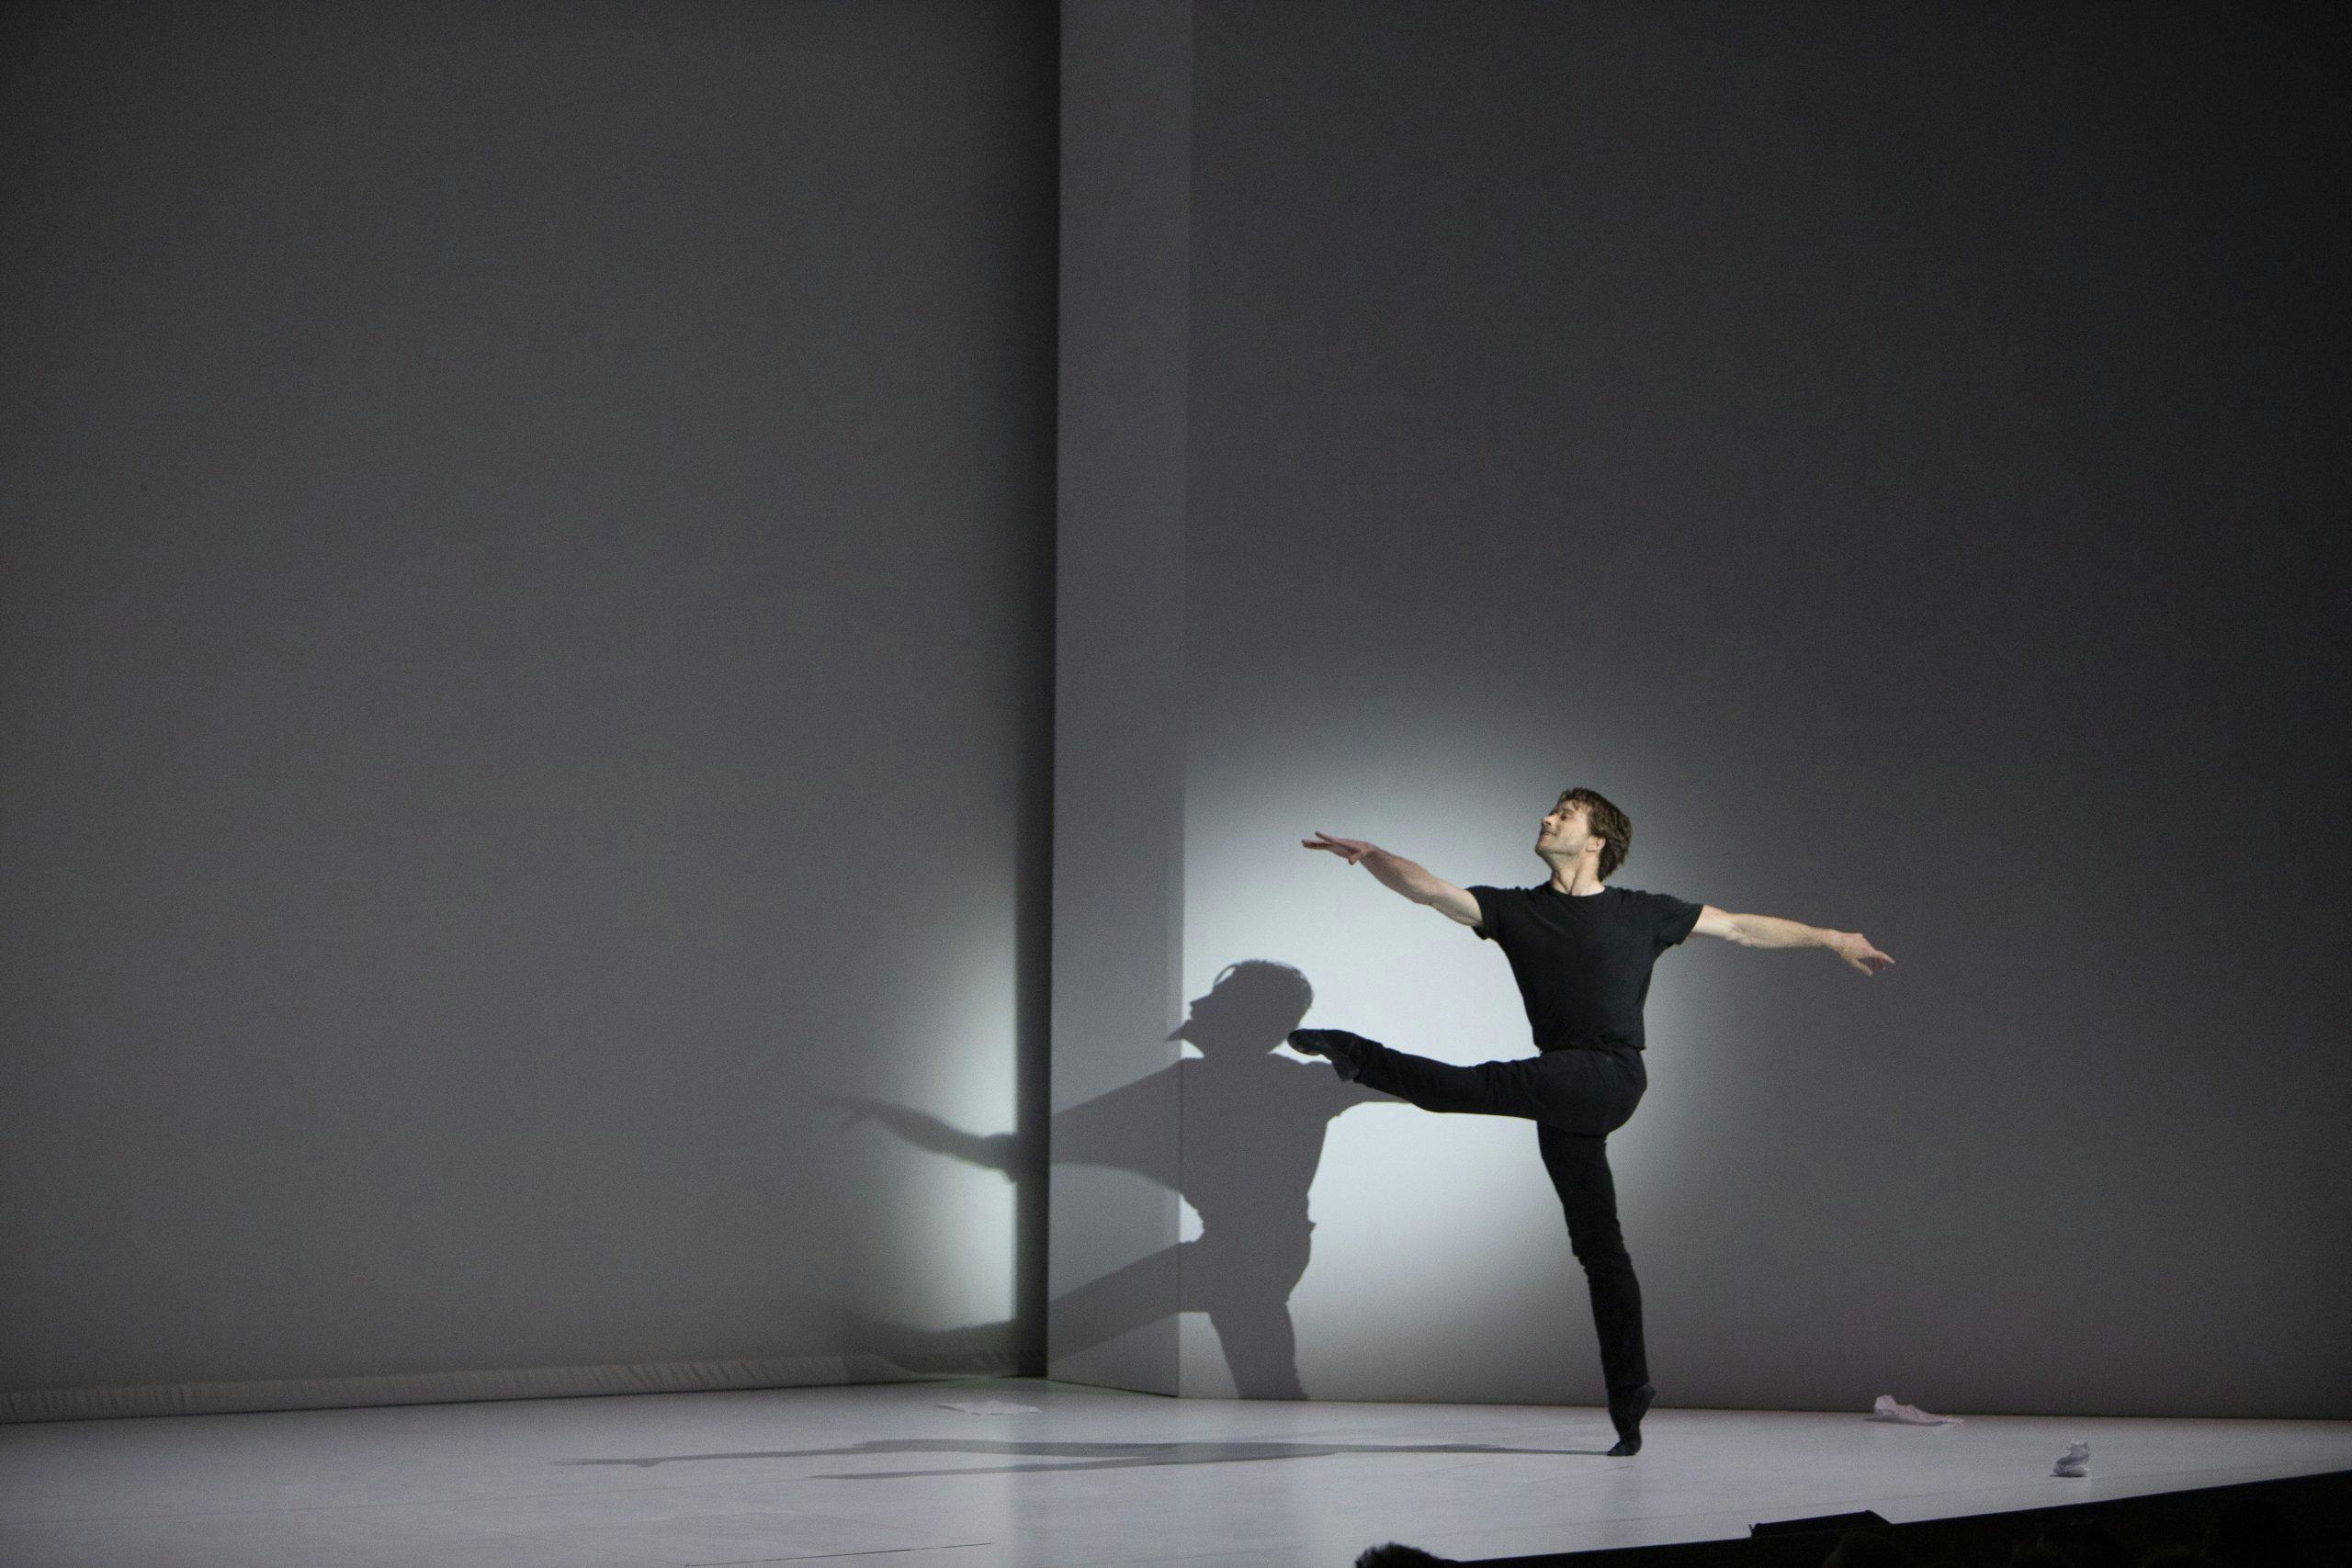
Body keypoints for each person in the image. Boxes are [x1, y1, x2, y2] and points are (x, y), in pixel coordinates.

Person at [1291, 786, 1894, 1456]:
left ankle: (1356, 1053)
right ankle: (1630, 1397)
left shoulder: (1644, 912)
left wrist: (1832, 938)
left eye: (1564, 815)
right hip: (1563, 1090)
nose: (1547, 818)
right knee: (1600, 1249)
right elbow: (1431, 891)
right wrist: (1374, 855)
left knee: (1466, 1088)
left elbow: (1741, 928)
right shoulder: (1517, 909)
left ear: (1597, 840)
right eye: (1550, 811)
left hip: (1608, 1075)